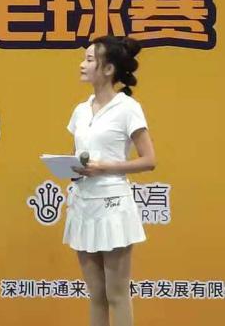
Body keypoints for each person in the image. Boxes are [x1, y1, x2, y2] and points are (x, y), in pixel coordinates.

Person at [65, 36, 157, 326]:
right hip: (83, 205)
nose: (82, 64)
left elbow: (149, 160)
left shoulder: (127, 108)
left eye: (90, 59)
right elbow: (77, 155)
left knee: (116, 293)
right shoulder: (81, 110)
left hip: (113, 206)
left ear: (108, 69)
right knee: (96, 295)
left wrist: (105, 167)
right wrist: (70, 167)